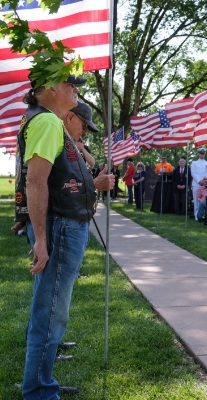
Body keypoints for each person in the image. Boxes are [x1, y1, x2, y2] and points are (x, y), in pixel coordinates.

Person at [14, 72, 114, 399]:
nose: (75, 89)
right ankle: (40, 391)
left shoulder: (51, 122)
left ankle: (41, 383)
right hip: (61, 227)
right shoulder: (45, 122)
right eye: (70, 84)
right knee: (52, 313)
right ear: (51, 88)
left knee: (53, 309)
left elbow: (59, 178)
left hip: (66, 225)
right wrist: (41, 238)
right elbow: (35, 182)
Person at [191, 147, 207, 221]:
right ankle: (196, 214)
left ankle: (202, 214)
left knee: (204, 199)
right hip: (196, 183)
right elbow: (193, 172)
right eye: (201, 153)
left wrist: (205, 181)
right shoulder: (194, 162)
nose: (202, 155)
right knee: (196, 199)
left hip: (204, 184)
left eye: (203, 154)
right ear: (198, 154)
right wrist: (199, 181)